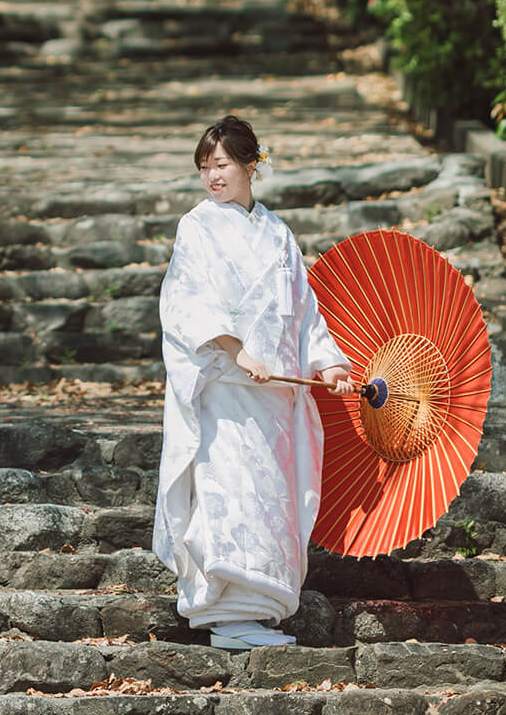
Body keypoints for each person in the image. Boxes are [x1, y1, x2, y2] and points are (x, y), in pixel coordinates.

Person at [153, 115, 356, 650]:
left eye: (220, 165)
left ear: (250, 164)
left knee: (269, 494)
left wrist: (328, 363)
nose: (212, 177)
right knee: (228, 490)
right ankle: (226, 613)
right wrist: (238, 350)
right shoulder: (196, 226)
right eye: (204, 168)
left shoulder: (278, 234)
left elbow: (304, 310)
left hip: (274, 395)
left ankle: (259, 611)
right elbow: (189, 300)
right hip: (224, 387)